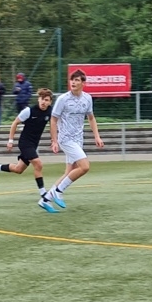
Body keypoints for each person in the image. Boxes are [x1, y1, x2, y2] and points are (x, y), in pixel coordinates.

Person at [0, 88, 58, 213]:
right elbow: (15, 123)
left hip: (33, 144)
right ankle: (43, 195)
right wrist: (10, 140)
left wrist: (53, 140)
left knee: (18, 169)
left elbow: (52, 126)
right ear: (38, 99)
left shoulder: (50, 112)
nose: (43, 102)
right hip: (25, 143)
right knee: (38, 164)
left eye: (46, 100)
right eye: (42, 99)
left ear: (50, 102)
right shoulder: (29, 111)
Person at [43, 69, 104, 210]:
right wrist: (54, 140)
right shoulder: (63, 99)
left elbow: (91, 118)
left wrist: (97, 136)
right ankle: (58, 191)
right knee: (85, 166)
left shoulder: (87, 98)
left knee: (69, 172)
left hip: (78, 140)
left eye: (77, 80)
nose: (73, 82)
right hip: (66, 139)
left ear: (83, 83)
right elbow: (53, 120)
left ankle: (46, 199)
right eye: (72, 80)